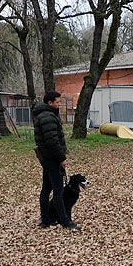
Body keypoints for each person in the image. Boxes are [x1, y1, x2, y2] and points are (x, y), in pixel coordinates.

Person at [32, 91, 81, 231]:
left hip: (46, 158)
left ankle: (46, 220)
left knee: (46, 189)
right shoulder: (48, 117)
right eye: (58, 102)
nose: (59, 104)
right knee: (58, 192)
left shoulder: (44, 114)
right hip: (52, 158)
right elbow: (52, 141)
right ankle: (65, 221)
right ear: (50, 103)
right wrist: (62, 158)